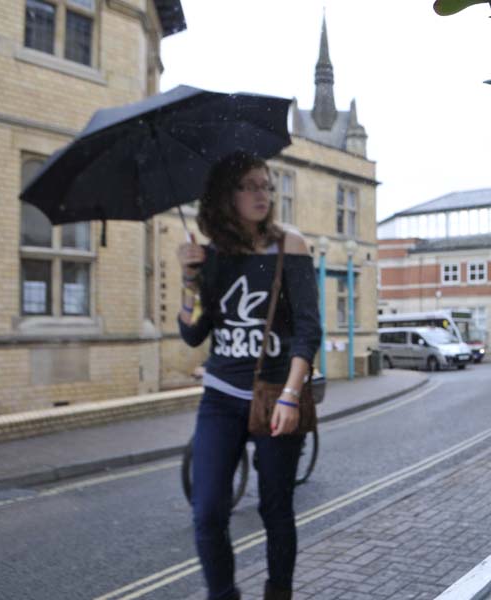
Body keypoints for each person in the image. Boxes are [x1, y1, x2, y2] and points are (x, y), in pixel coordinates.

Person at [177, 151, 322, 600]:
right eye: (250, 186)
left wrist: (291, 395)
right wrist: (188, 280)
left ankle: (278, 592)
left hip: (277, 394)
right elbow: (192, 331)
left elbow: (308, 329)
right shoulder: (212, 255)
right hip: (220, 397)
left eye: (267, 185)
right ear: (227, 196)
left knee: (275, 509)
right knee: (207, 513)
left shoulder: (290, 245)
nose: (263, 193)